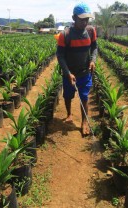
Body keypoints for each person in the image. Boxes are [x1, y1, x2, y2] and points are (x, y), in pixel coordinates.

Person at [56, 2, 98, 136]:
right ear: (74, 18)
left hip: (85, 71)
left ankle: (84, 122)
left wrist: (92, 60)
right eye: (82, 19)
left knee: (84, 97)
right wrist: (68, 73)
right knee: (68, 95)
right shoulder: (65, 35)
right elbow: (60, 55)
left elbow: (95, 48)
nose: (85, 22)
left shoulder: (91, 32)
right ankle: (69, 114)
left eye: (87, 19)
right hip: (69, 72)